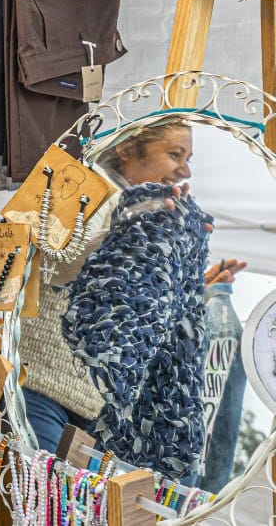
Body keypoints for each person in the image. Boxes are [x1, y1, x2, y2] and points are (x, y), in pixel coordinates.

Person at [19, 119, 243, 456]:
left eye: (188, 159)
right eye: (174, 154)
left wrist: (196, 286)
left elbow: (136, 302)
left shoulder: (151, 217)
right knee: (37, 487)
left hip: (95, 407)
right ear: (126, 149)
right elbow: (48, 262)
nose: (185, 171)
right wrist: (130, 224)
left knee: (62, 489)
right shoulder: (82, 183)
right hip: (41, 386)